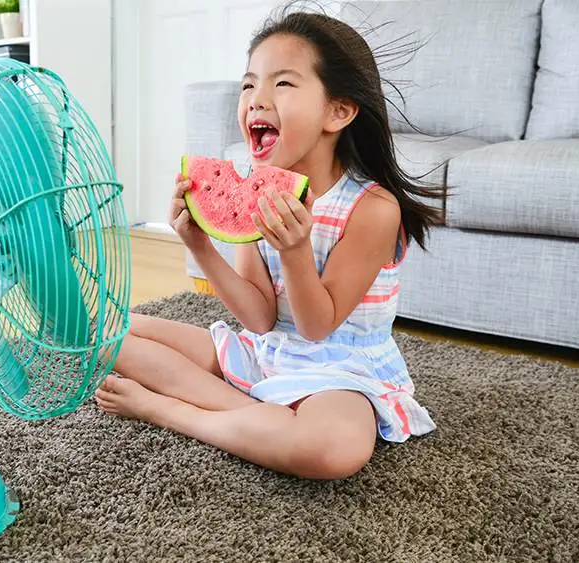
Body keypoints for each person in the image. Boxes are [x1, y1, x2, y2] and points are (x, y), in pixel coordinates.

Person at [95, 9, 444, 480]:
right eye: (248, 84)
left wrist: (295, 252)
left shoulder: (372, 209)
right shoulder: (258, 189)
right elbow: (258, 318)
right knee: (106, 333)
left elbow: (317, 327)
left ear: (338, 111)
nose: (256, 100)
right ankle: (259, 415)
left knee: (332, 450)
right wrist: (199, 245)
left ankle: (173, 411)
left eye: (282, 84)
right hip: (268, 350)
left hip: (339, 371)